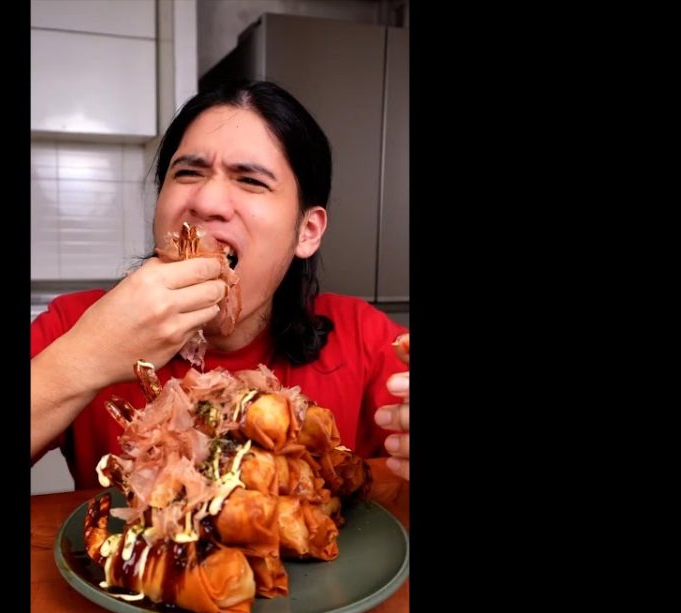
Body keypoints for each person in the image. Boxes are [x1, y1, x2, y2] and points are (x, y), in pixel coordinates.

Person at [30, 80, 410, 490]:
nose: (206, 202)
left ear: (307, 231)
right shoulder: (74, 325)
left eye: (251, 181)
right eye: (187, 173)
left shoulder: (363, 339)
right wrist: (89, 356)